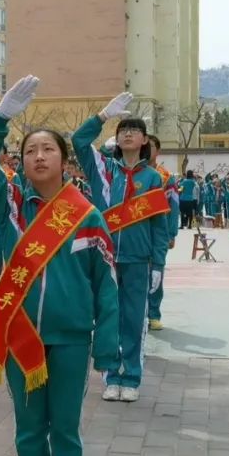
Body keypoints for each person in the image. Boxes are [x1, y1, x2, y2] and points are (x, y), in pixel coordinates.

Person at [0, 75, 118, 456]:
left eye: (48, 149)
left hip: (72, 336)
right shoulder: (9, 205)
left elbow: (106, 285)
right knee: (30, 428)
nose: (38, 156)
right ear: (21, 160)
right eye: (30, 150)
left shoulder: (86, 214)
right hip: (21, 337)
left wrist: (108, 342)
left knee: (66, 428)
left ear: (64, 159)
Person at [74, 91, 171, 403]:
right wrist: (103, 116)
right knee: (107, 317)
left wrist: (158, 264)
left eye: (135, 130)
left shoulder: (154, 178)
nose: (128, 133)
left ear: (144, 140)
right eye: (123, 130)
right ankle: (110, 375)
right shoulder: (102, 169)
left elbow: (160, 226)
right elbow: (78, 141)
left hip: (139, 260)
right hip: (105, 258)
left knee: (133, 319)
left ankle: (131, 376)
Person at [147, 134, 179, 331]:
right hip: (136, 232)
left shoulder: (166, 177)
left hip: (159, 232)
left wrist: (171, 233)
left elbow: (173, 206)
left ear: (157, 151)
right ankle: (137, 314)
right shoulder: (130, 174)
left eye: (150, 146)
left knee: (156, 273)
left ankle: (154, 314)